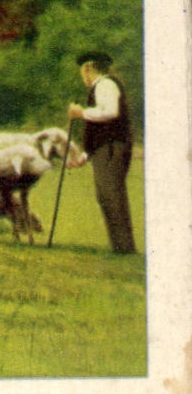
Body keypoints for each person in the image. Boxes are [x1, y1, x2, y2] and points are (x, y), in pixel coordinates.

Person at [67, 51, 136, 254]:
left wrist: (81, 113)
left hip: (112, 148)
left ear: (88, 67)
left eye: (82, 70)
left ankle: (124, 248)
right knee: (106, 195)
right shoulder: (101, 87)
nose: (82, 76)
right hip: (106, 148)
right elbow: (99, 130)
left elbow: (111, 113)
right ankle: (120, 247)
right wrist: (85, 156)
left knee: (111, 195)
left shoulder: (105, 85)